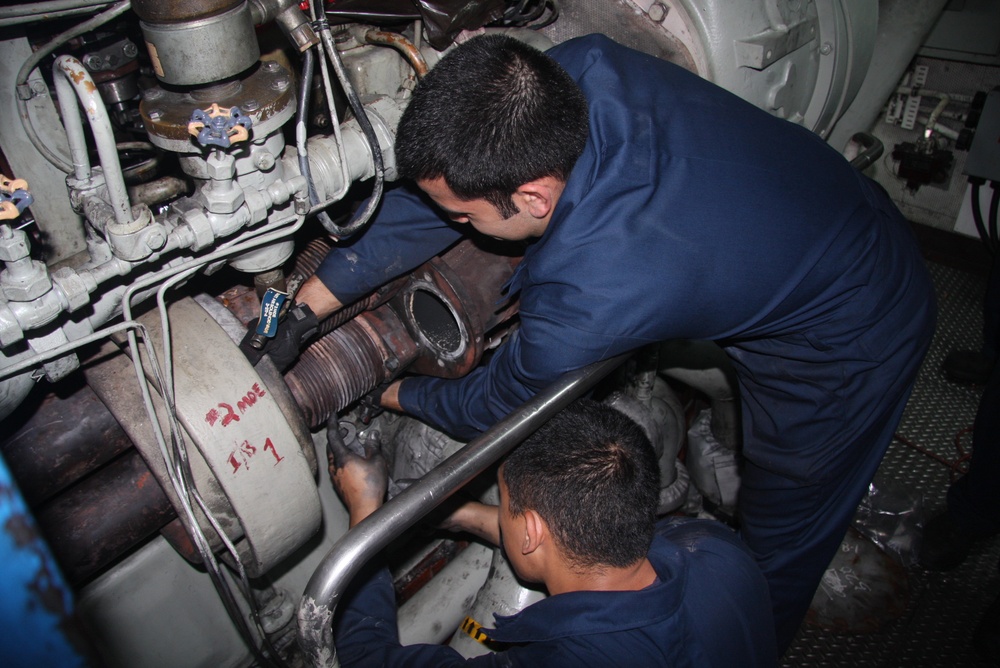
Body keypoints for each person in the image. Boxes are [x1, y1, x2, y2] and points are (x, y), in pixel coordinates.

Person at [254, 33, 936, 651]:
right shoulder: (571, 72)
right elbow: (436, 193)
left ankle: (762, 636)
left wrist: (398, 391)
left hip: (849, 330)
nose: (452, 222)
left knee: (783, 533)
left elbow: (494, 401)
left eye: (465, 218)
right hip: (824, 203)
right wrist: (308, 309)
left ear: (534, 197)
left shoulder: (596, 289)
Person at [328, 399, 778, 667]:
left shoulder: (563, 659)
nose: (498, 512)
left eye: (503, 505)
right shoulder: (717, 549)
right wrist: (463, 515)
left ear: (531, 532)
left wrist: (366, 511)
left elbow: (368, 658)